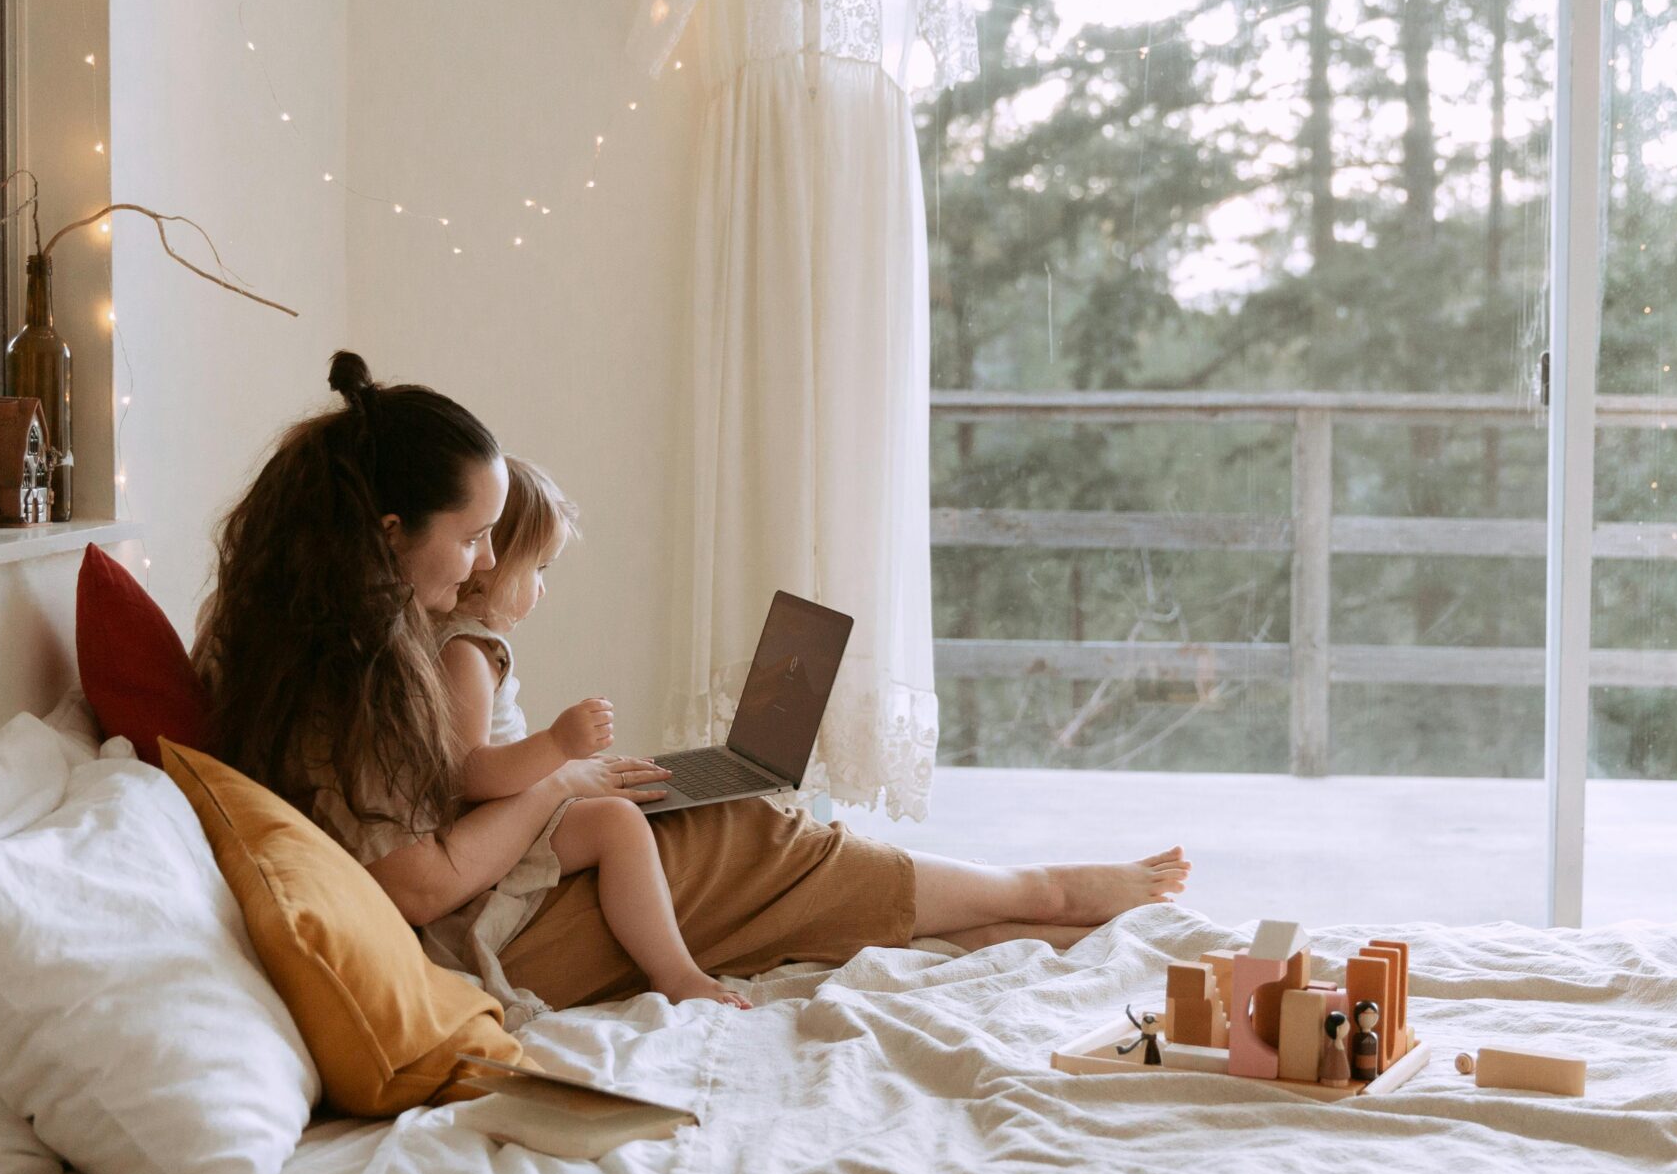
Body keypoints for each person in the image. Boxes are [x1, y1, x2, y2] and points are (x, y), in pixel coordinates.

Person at [193, 351, 1190, 1017]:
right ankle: (1038, 893)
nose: (483, 566)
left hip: (501, 888)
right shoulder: (351, 675)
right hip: (479, 938)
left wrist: (560, 783)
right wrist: (554, 783)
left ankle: (1013, 914)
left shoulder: (342, 642)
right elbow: (414, 880)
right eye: (471, 539)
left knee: (710, 817)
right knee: (742, 832)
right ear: (388, 537)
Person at [430, 453, 747, 1009]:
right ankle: (677, 974)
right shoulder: (466, 652)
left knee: (619, 799)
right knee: (617, 824)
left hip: (507, 810)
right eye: (539, 571)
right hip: (490, 825)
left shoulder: (464, 643)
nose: (542, 591)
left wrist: (569, 765)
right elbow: (468, 773)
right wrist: (557, 748)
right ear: (492, 565)